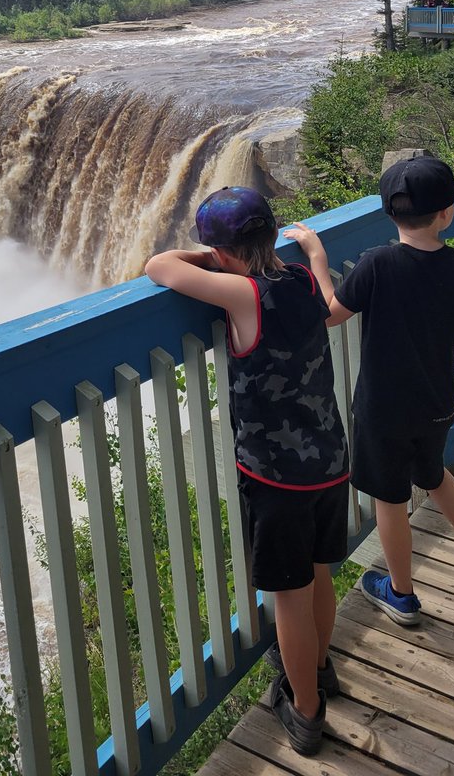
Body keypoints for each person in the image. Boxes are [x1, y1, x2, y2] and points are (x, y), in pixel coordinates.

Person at [145, 187, 349, 757]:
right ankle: (321, 666)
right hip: (330, 461)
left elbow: (157, 266)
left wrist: (206, 260)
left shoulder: (241, 295)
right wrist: (316, 257)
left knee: (289, 594)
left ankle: (306, 710)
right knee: (320, 573)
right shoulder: (304, 283)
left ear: (223, 251)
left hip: (275, 477)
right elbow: (331, 309)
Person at [287, 155, 454, 628]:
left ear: (389, 215)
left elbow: (329, 314)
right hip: (435, 405)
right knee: (432, 474)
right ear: (447, 214)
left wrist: (316, 257)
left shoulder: (377, 265)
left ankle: (402, 594)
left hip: (381, 410)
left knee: (390, 499)